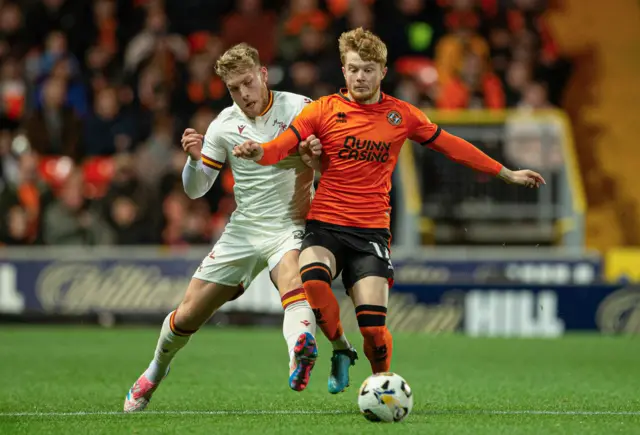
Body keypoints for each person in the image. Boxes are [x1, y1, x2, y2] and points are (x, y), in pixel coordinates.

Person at [233, 28, 545, 375]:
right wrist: (259, 151)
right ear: (343, 71)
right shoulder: (322, 111)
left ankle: (382, 382)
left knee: (374, 331)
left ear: (383, 71)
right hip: (326, 226)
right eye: (353, 69)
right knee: (314, 280)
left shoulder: (402, 116)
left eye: (367, 69)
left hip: (370, 235)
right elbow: (281, 146)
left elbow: (452, 145)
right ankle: (340, 348)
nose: (360, 76)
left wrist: (505, 173)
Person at [124, 43, 356, 413]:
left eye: (248, 82)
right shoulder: (223, 127)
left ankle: (299, 355)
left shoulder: (301, 109)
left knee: (294, 281)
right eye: (234, 88)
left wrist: (317, 159)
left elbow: (334, 168)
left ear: (263, 74)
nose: (244, 94)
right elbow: (197, 189)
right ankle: (155, 370)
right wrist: (192, 160)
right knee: (187, 315)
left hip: (292, 225)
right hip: (244, 231)